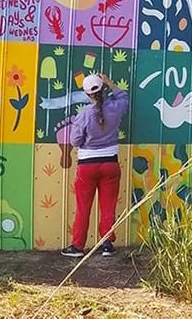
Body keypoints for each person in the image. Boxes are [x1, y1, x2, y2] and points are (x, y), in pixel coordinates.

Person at [61, 72, 128, 259]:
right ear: (102, 88)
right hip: (110, 164)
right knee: (108, 206)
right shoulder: (115, 107)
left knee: (83, 207)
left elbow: (75, 141)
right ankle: (107, 244)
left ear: (87, 94)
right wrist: (110, 81)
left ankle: (77, 246)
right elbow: (124, 97)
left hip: (87, 166)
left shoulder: (84, 114)